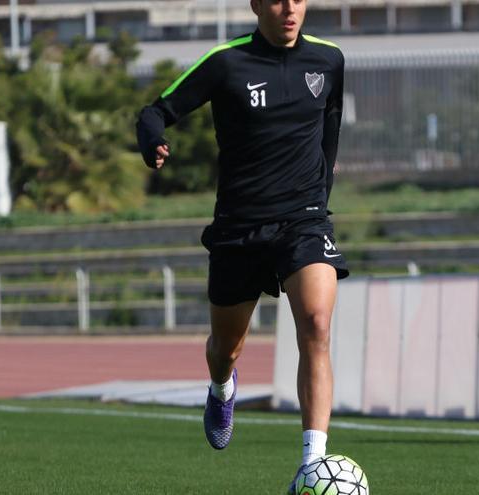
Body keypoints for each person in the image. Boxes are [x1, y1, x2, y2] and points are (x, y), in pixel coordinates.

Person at [135, 0, 347, 489]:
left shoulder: (330, 59)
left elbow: (330, 128)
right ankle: (220, 387)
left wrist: (318, 197)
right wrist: (152, 140)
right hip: (239, 228)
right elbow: (156, 111)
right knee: (225, 349)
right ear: (255, 4)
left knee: (316, 323)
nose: (289, 8)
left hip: (304, 221)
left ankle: (313, 464)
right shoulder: (226, 62)